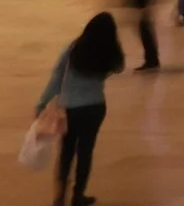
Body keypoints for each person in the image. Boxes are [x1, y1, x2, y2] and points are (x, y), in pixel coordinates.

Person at [36, 13, 123, 206]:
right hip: (95, 107)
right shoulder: (108, 52)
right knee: (86, 152)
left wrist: (42, 102)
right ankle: (78, 195)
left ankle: (59, 197)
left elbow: (57, 77)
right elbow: (119, 67)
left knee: (66, 152)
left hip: (70, 108)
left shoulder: (73, 48)